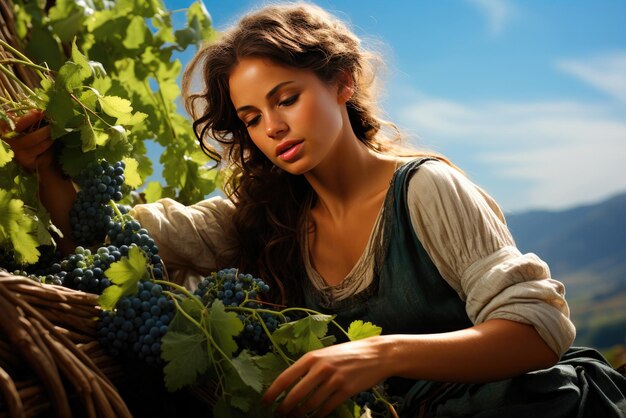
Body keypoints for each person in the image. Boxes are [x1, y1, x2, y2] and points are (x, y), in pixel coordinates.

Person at [4, 2, 626, 417]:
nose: (272, 128)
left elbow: (540, 331)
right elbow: (125, 242)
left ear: (342, 83)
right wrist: (50, 170)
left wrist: (379, 353)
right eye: (251, 118)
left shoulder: (427, 189)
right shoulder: (265, 213)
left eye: (286, 98)